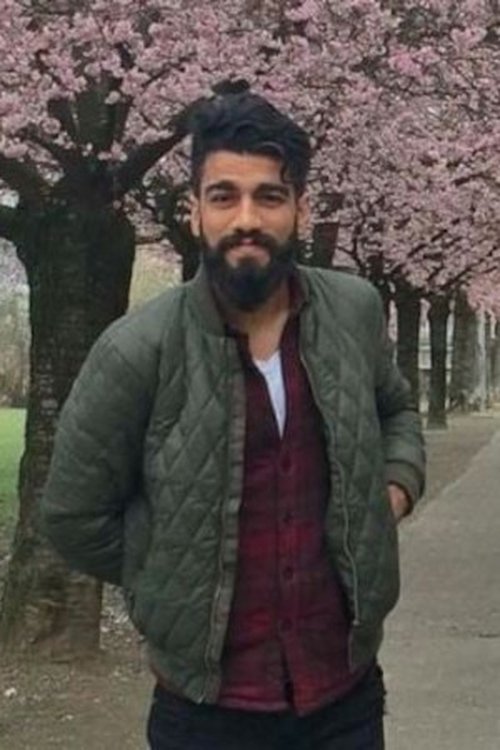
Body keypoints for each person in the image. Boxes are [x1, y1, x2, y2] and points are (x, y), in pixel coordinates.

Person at [41, 91, 425, 750]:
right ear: (195, 211)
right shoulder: (137, 350)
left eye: (269, 197)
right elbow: (73, 515)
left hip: (345, 695)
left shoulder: (354, 311)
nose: (247, 218)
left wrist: (394, 490)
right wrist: (168, 565)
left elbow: (396, 409)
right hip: (205, 714)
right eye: (224, 196)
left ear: (300, 208)